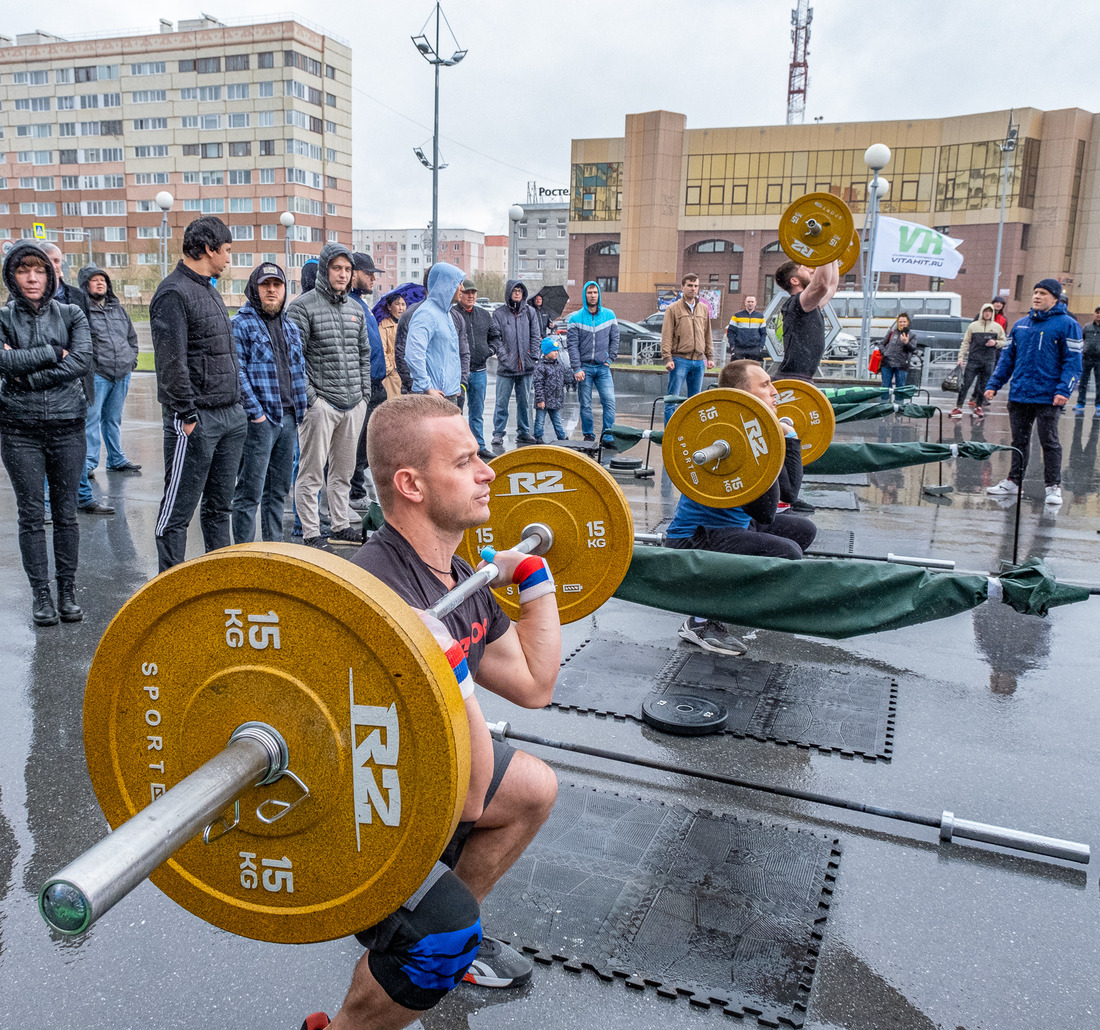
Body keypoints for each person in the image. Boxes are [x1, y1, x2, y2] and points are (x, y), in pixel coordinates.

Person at [298, 394, 559, 1030]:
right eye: (466, 460)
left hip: (412, 775)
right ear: (411, 485)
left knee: (531, 788)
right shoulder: (382, 592)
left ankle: (450, 938)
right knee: (435, 939)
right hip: (341, 813)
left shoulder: (454, 575)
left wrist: (534, 577)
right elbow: (468, 799)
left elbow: (533, 683)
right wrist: (448, 669)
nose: (489, 472)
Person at [665, 359, 816, 656]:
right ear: (742, 395)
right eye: (765, 385)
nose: (775, 391)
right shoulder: (729, 434)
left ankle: (737, 605)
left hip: (733, 525)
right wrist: (765, 443)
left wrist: (788, 438)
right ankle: (700, 621)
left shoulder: (753, 431)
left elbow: (789, 493)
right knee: (787, 553)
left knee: (803, 531)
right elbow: (766, 512)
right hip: (694, 537)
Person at [0, 242, 92, 625]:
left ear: (51, 275)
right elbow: (2, 360)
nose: (32, 278)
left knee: (67, 514)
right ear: (12, 276)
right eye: (24, 271)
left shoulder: (72, 314)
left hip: (68, 426)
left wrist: (26, 373)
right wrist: (55, 353)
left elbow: (83, 360)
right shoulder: (3, 318)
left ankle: (67, 589)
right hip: (19, 429)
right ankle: (41, 594)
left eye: (39, 270)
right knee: (31, 515)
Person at [150, 216, 247, 573]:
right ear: (208, 249)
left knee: (220, 508)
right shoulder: (173, 293)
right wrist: (188, 417)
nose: (228, 259)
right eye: (227, 251)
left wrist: (239, 408)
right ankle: (168, 591)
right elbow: (171, 365)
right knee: (177, 512)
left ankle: (220, 583)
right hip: (197, 420)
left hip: (229, 416)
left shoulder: (208, 288)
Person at [286, 242, 371, 549]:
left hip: (353, 404)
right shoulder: (302, 307)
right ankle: (310, 531)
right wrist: (312, 400)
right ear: (325, 270)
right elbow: (293, 359)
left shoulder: (354, 309)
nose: (343, 275)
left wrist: (363, 395)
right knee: (311, 473)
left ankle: (340, 524)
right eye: (337, 268)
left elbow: (364, 352)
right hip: (320, 404)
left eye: (347, 270)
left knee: (343, 472)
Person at [984, 279, 1083, 506]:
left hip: (1049, 396)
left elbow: (1073, 363)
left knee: (1049, 442)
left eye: (1043, 293)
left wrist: (1063, 390)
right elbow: (1006, 360)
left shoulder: (1068, 324)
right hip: (1020, 394)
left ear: (1055, 298)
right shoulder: (1021, 325)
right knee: (1019, 441)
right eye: (1035, 292)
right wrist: (993, 385)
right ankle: (1013, 481)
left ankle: (1052, 486)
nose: (1037, 296)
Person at [230, 263, 308, 543]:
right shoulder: (241, 324)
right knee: (250, 492)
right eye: (266, 285)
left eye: (277, 285)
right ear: (255, 289)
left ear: (285, 290)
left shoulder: (290, 326)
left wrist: (303, 409)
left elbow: (299, 369)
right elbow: (237, 372)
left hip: (289, 418)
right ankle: (243, 554)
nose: (272, 290)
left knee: (277, 492)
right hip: (260, 421)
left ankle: (273, 550)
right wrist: (256, 414)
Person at [77, 266, 141, 512]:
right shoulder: (83, 311)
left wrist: (131, 359)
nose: (100, 283)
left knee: (113, 419)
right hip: (97, 374)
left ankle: (116, 459)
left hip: (121, 373)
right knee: (91, 421)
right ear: (86, 285)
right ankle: (90, 464)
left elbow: (131, 338)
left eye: (103, 279)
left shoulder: (118, 309)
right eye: (94, 280)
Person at [348, 253, 388, 510]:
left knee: (367, 444)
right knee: (357, 444)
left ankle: (358, 488)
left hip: (375, 385)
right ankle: (353, 492)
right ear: (353, 274)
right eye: (368, 273)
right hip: (363, 386)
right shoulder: (349, 306)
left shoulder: (361, 304)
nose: (373, 277)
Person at [405, 262, 468, 408]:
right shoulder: (426, 313)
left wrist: (455, 385)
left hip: (447, 394)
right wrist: (427, 388)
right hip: (433, 398)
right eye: (459, 283)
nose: (463, 289)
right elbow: (413, 354)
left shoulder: (445, 314)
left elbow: (448, 355)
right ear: (445, 284)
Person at [566, 280, 618, 444]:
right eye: (589, 292)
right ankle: (588, 435)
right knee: (586, 404)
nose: (593, 295)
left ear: (599, 294)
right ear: (584, 295)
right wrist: (576, 368)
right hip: (584, 368)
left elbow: (615, 339)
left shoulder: (609, 315)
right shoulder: (575, 318)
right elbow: (572, 346)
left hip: (603, 368)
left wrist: (610, 359)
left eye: (595, 292)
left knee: (609, 402)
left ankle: (608, 435)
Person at [454, 280, 501, 460]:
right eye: (467, 292)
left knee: (477, 412)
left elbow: (495, 336)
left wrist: (490, 351)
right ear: (460, 294)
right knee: (457, 412)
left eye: (473, 292)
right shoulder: (453, 314)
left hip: (480, 370)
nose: (471, 296)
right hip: (459, 373)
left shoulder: (483, 314)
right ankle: (459, 449)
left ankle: (479, 446)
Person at [490, 280, 541, 447]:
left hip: (526, 367)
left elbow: (535, 336)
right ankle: (498, 433)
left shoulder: (530, 313)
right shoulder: (499, 314)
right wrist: (505, 357)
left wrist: (532, 356)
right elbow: (496, 339)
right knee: (501, 402)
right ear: (509, 292)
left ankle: (524, 432)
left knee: (524, 402)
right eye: (514, 290)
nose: (517, 293)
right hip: (506, 368)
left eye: (520, 290)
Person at [660, 273, 715, 423]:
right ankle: (669, 434)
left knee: (695, 402)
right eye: (690, 285)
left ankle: (691, 434)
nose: (693, 289)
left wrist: (709, 357)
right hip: (679, 360)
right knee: (672, 400)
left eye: (696, 286)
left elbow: (707, 334)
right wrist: (667, 358)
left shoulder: (703, 309)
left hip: (698, 362)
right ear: (682, 287)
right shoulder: (673, 309)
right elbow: (666, 335)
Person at [773, 258, 839, 382]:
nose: (811, 270)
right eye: (804, 268)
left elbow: (831, 286)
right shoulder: (797, 304)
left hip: (801, 378)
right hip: (791, 378)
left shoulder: (809, 304)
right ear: (794, 280)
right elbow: (821, 285)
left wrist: (833, 255)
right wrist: (824, 252)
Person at [951, 304, 1005, 420]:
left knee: (983, 385)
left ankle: (979, 407)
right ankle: (958, 407)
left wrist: (995, 343)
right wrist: (961, 357)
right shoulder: (973, 326)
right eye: (985, 311)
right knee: (965, 384)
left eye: (990, 312)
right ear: (981, 312)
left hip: (988, 360)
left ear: (992, 314)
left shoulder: (997, 327)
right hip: (973, 360)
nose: (987, 314)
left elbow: (1004, 341)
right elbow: (965, 342)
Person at [533, 336, 568, 441]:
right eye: (553, 351)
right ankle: (538, 436)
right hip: (543, 400)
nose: (556, 353)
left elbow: (563, 379)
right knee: (540, 420)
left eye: (557, 351)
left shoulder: (559, 365)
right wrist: (540, 400)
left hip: (555, 400)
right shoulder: (541, 366)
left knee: (557, 420)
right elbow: (538, 384)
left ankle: (561, 436)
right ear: (546, 352)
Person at [879, 312, 919, 401]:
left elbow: (913, 349)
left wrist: (906, 342)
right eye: (900, 322)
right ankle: (884, 407)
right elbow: (881, 344)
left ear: (908, 322)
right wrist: (885, 352)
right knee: (885, 386)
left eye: (904, 322)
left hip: (902, 364)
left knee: (900, 387)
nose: (902, 324)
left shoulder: (912, 335)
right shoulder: (891, 332)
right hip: (887, 363)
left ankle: (899, 409)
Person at [376, 290, 407, 401]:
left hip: (407, 373)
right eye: (397, 304)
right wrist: (390, 370)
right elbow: (381, 350)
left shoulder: (409, 324)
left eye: (403, 304)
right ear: (389, 307)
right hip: (393, 375)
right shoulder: (383, 326)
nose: (401, 308)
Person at [1074, 307, 1100, 415]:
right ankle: (1080, 402)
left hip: (1099, 359)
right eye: (1097, 313)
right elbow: (1081, 339)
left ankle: (1098, 404)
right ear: (1094, 314)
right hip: (1086, 358)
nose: (1098, 315)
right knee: (1083, 382)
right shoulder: (1087, 327)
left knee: (1099, 383)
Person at [726, 295, 767, 361]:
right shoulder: (737, 316)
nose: (750, 304)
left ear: (755, 303)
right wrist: (732, 346)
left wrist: (761, 347)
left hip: (754, 348)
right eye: (748, 302)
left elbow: (763, 333)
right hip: (739, 348)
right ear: (745, 303)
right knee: (737, 369)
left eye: (752, 302)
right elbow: (730, 332)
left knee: (752, 370)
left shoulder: (760, 317)